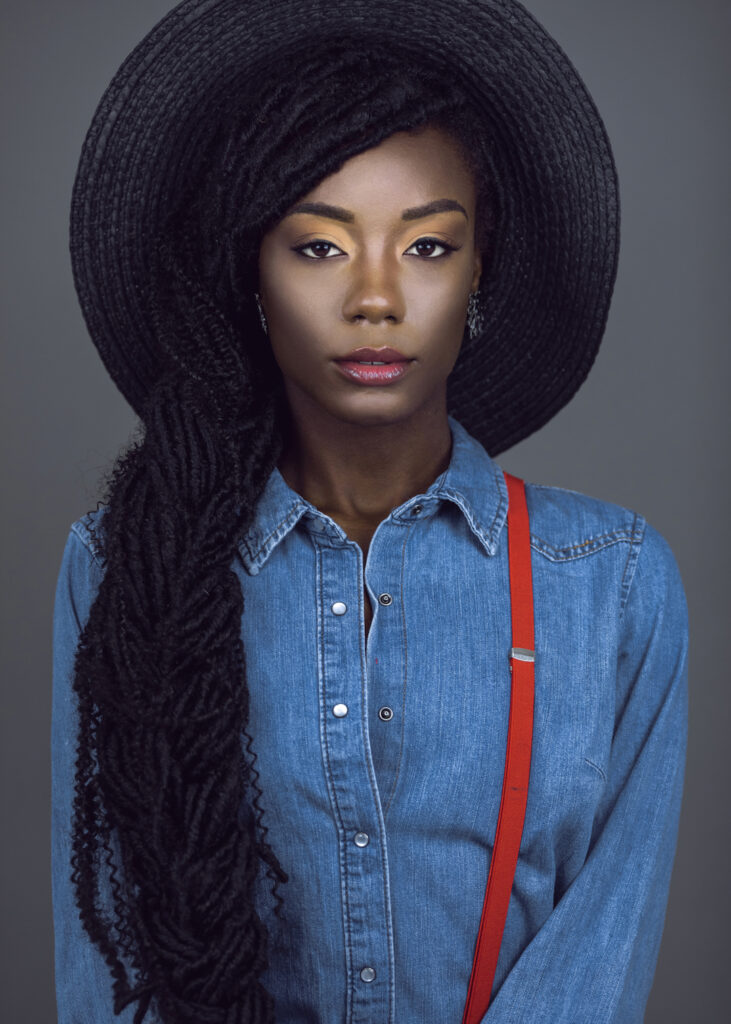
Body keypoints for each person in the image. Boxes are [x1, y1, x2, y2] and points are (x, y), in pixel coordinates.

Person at [51, 1, 689, 1022]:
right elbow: (111, 955)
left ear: (480, 265)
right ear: (249, 274)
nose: (377, 298)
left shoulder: (609, 579)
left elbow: (601, 945)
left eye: (428, 247)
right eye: (317, 248)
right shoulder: (129, 566)